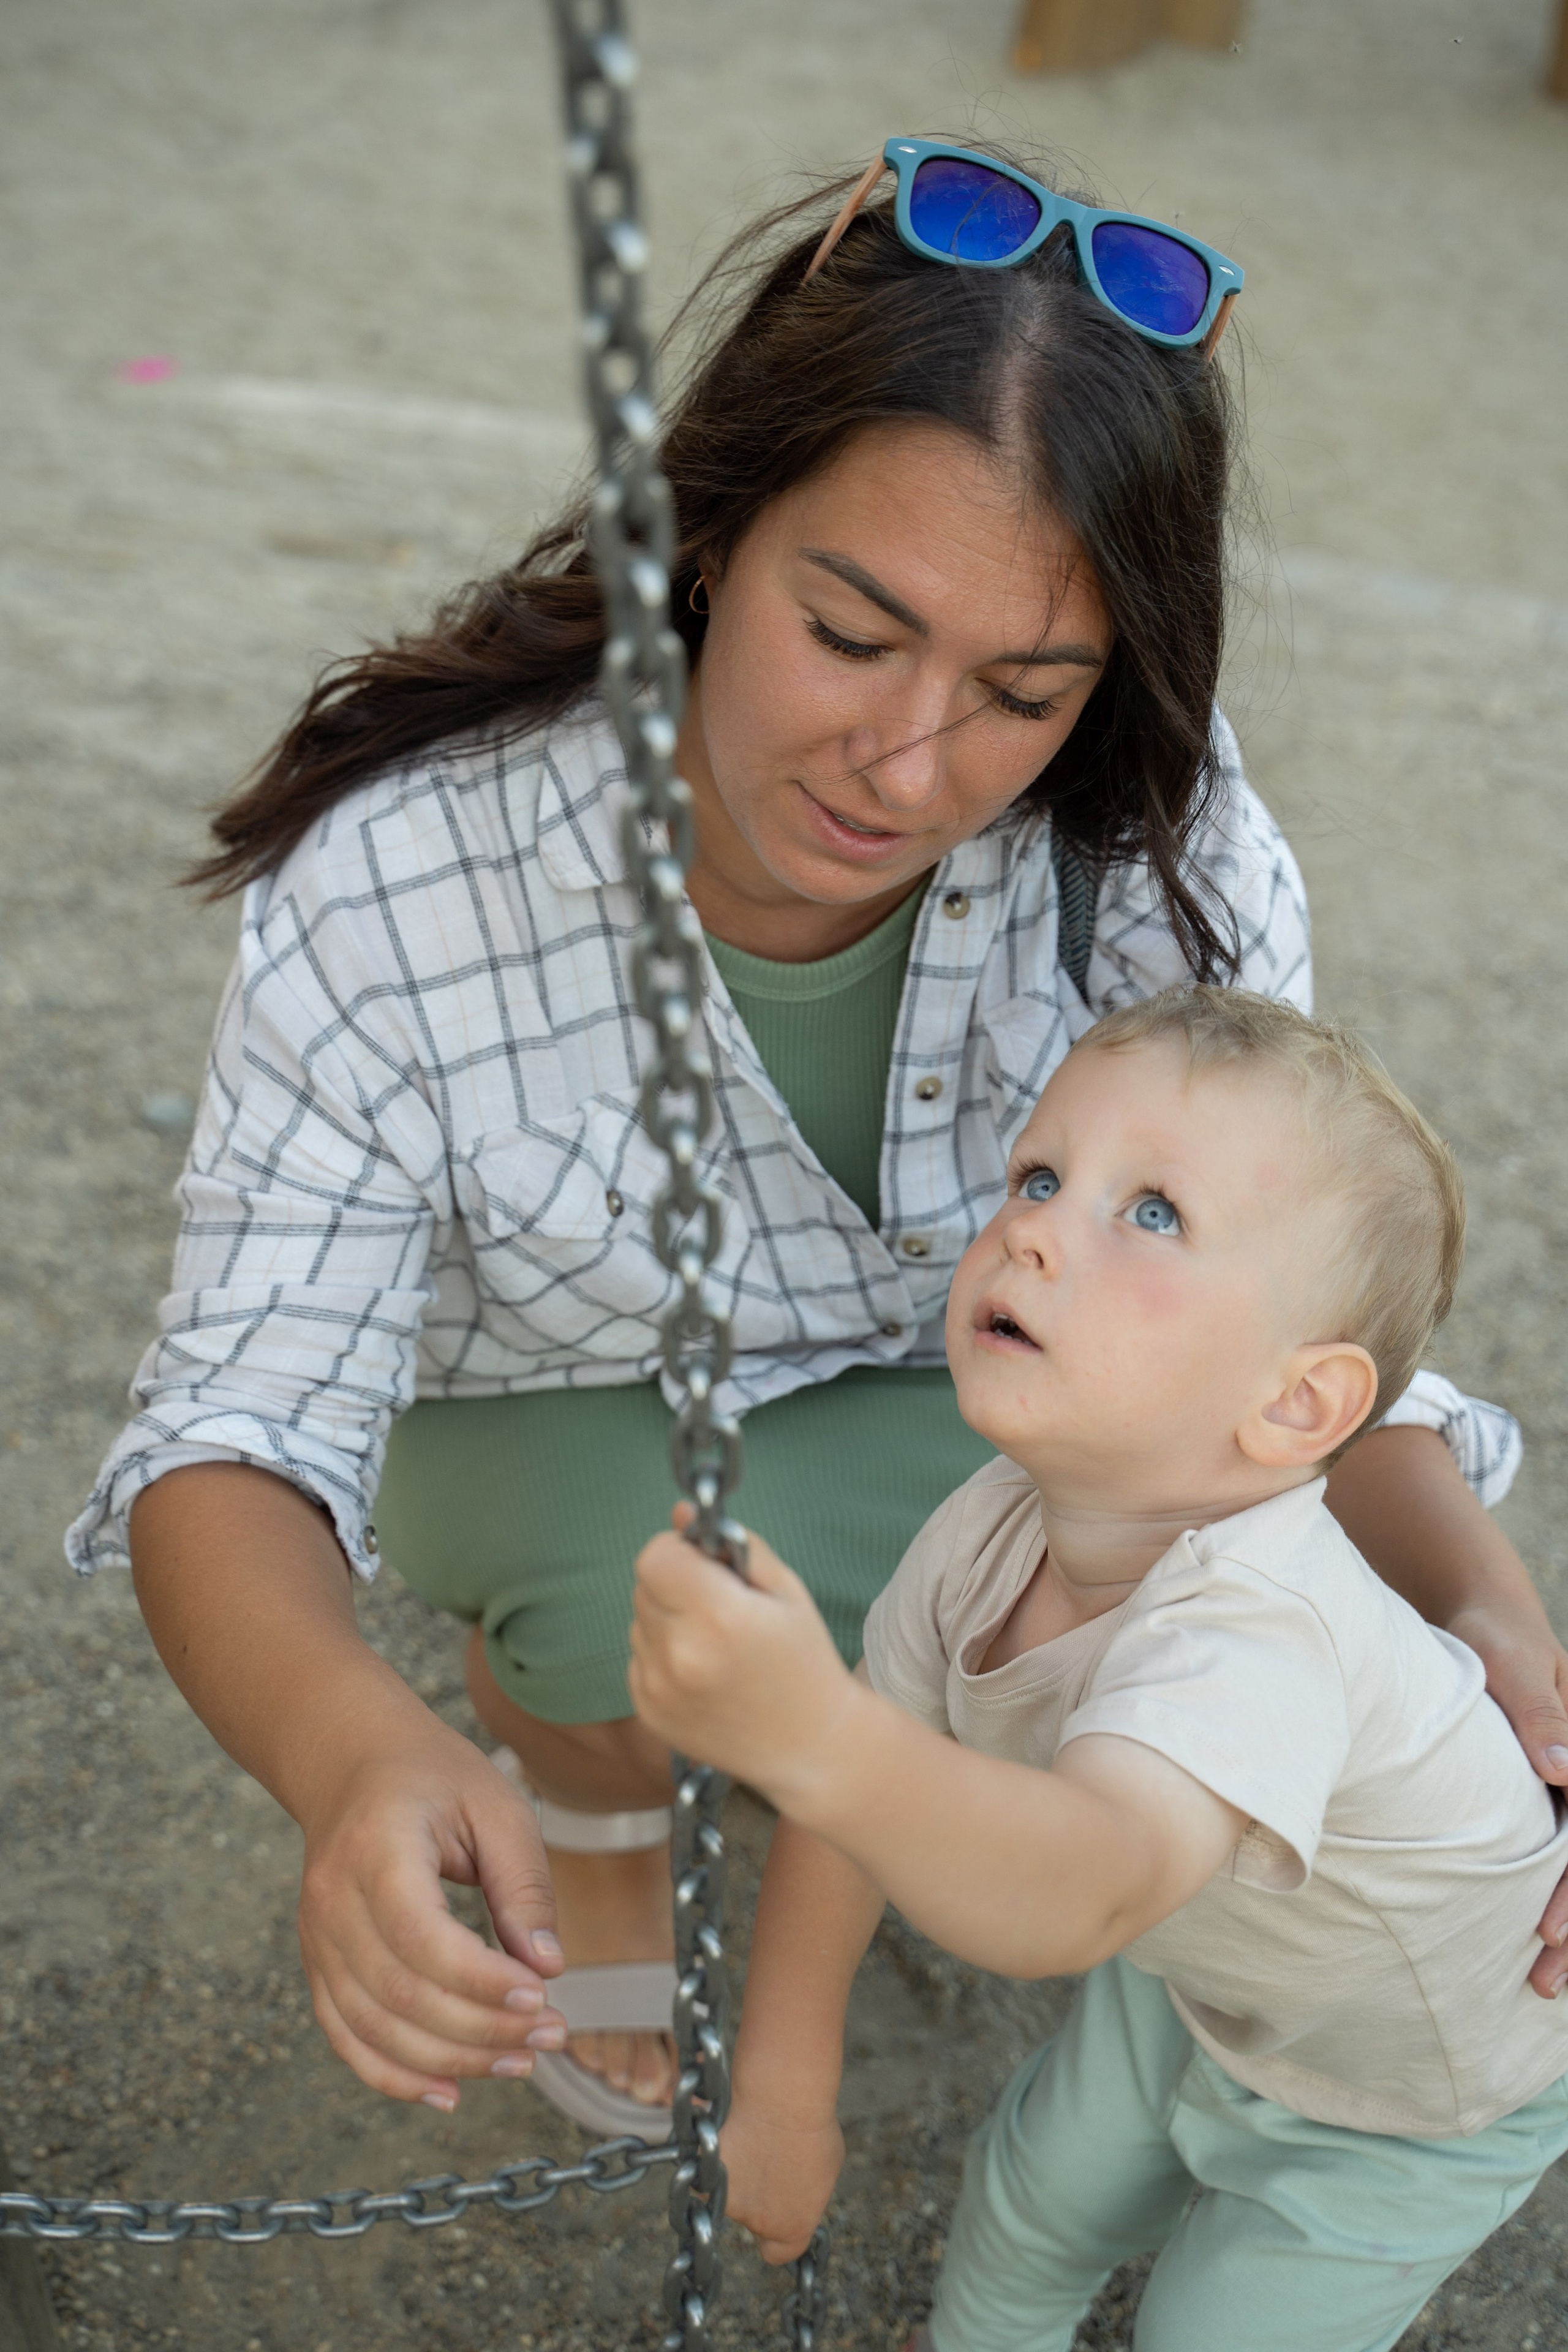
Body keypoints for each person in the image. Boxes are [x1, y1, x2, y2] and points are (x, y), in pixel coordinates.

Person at [70, 139, 1568, 2136]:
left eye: (1026, 688)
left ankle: (921, 1767)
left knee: (1279, 1585)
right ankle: (593, 1797)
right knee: (614, 1563)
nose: (912, 760)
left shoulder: (1163, 849)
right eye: (853, 633)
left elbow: (1284, 1307)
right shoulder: (408, 876)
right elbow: (239, 1426)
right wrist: (351, 1755)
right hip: (588, 1435)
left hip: (994, 1409)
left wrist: (1483, 1610)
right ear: (702, 531)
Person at [628, 987, 1568, 2351]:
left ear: (1295, 1404)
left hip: (1419, 2082)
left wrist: (814, 1736)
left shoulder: (1258, 1630)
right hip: (1209, 1970)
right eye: (1039, 1174)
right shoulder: (988, 1529)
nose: (1029, 1227)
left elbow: (1080, 1893)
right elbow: (857, 1827)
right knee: (1024, 2194)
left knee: (1211, 2329)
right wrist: (779, 2078)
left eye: (1149, 1213)